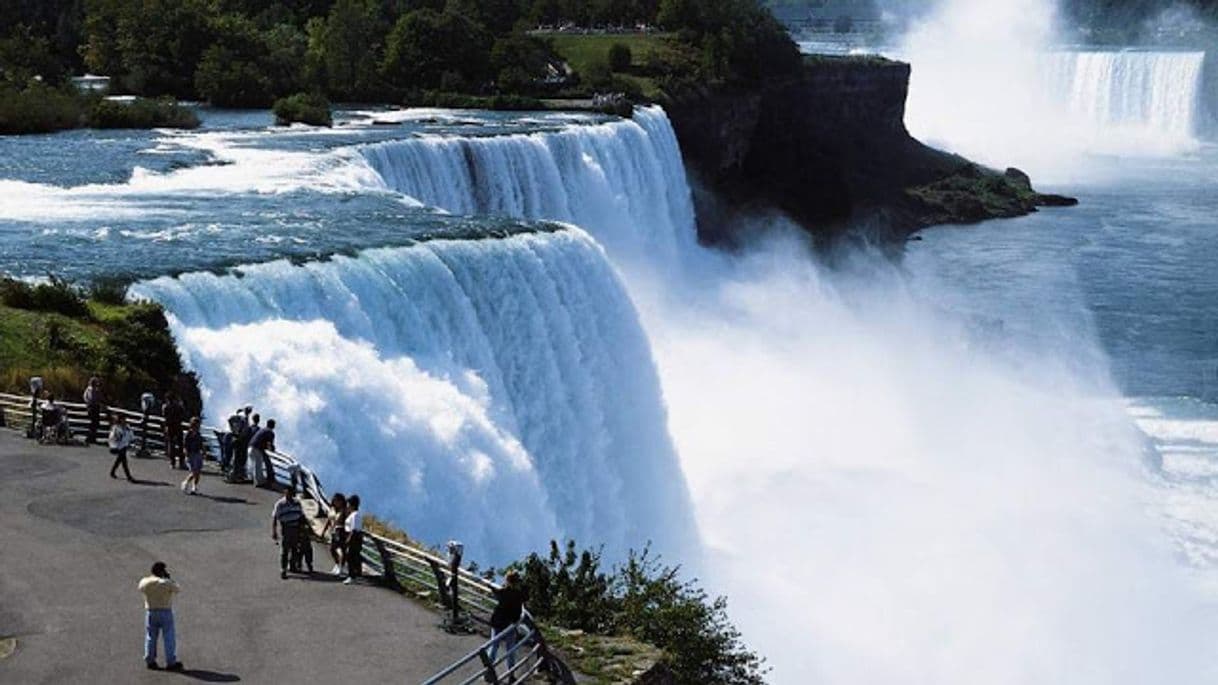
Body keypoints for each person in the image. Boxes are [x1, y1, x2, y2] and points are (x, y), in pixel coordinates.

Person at [138, 561, 183, 672]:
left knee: (150, 636)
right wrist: (169, 579)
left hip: (151, 612)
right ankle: (171, 662)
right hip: (165, 612)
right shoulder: (165, 583)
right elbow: (177, 589)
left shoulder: (145, 582)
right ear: (161, 571)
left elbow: (140, 588)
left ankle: (150, 660)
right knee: (169, 637)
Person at [488, 571, 529, 671]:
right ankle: (511, 673)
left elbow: (495, 592)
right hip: (510, 625)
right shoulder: (519, 595)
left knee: (494, 647)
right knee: (510, 650)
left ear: (507, 580)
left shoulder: (503, 592)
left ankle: (488, 670)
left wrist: (490, 585)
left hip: (497, 622)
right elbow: (526, 597)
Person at [271, 486, 306, 579]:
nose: (288, 495)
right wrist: (274, 531)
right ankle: (283, 569)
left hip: (295, 527)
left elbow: (301, 516)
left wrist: (302, 528)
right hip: (285, 527)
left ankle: (293, 565)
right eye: (287, 493)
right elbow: (275, 517)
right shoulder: (280, 504)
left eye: (290, 493)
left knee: (295, 548)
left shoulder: (297, 503)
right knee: (285, 550)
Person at [320, 493, 348, 575]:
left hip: (341, 531)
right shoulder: (332, 509)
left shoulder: (344, 511)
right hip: (333, 531)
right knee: (332, 549)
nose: (336, 502)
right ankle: (337, 564)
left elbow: (347, 523)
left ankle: (341, 567)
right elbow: (329, 520)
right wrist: (323, 531)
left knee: (341, 550)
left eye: (337, 501)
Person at [226, 408, 254, 484]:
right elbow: (245, 431)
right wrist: (240, 435)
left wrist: (233, 430)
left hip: (236, 439)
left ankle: (232, 476)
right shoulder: (243, 419)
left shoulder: (236, 419)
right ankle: (234, 477)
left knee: (235, 458)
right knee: (238, 459)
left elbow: (229, 420)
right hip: (240, 442)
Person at [249, 418, 277, 489]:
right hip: (256, 449)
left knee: (253, 465)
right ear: (273, 426)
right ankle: (258, 483)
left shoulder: (262, 429)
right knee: (258, 466)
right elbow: (269, 444)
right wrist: (273, 449)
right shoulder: (270, 432)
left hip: (250, 447)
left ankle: (253, 479)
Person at [180, 417, 204, 495]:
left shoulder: (198, 435)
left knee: (198, 471)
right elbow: (185, 445)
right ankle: (186, 482)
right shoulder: (188, 434)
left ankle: (194, 487)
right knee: (194, 471)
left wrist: (203, 452)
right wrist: (186, 453)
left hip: (197, 454)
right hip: (191, 454)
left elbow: (201, 444)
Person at [108, 414, 135, 481]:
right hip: (117, 446)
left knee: (120, 460)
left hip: (124, 446)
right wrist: (115, 440)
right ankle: (129, 476)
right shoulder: (116, 428)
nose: (124, 421)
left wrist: (132, 441)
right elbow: (112, 437)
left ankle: (112, 472)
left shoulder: (127, 427)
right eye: (123, 419)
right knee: (124, 462)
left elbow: (131, 435)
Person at [342, 494, 363, 584]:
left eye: (348, 504)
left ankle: (352, 576)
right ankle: (355, 574)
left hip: (353, 537)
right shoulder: (354, 515)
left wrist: (348, 539)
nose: (347, 506)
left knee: (350, 557)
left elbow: (354, 529)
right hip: (353, 536)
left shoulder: (355, 515)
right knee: (353, 556)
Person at [162, 392, 185, 470]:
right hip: (178, 426)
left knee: (171, 445)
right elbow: (183, 414)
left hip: (169, 426)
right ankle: (182, 462)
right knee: (181, 445)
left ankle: (172, 463)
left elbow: (164, 415)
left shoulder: (165, 407)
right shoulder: (179, 406)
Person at [83, 377, 105, 445]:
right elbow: (89, 398)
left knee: (94, 423)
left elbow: (85, 397)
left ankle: (92, 437)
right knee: (93, 423)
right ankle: (90, 437)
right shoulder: (91, 390)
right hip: (93, 407)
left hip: (93, 407)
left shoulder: (93, 390)